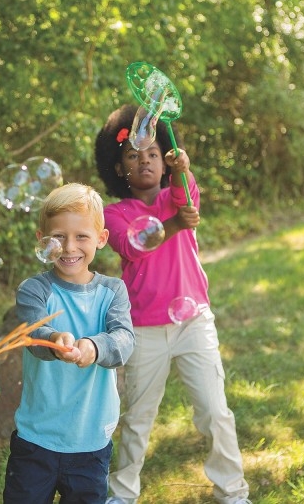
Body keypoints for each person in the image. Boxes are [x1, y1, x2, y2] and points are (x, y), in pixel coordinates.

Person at [94, 104, 251, 504]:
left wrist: (182, 166)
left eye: (151, 153)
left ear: (163, 163)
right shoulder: (113, 214)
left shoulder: (176, 192)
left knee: (216, 413)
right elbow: (134, 245)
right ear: (118, 167)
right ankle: (122, 495)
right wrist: (178, 224)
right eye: (132, 155)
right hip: (144, 328)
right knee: (137, 418)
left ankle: (232, 493)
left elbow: (185, 194)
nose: (144, 160)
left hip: (193, 320)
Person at [3, 182, 136, 504]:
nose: (68, 247)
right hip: (37, 438)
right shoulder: (34, 290)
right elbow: (33, 334)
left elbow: (124, 340)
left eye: (81, 237)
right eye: (58, 237)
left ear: (101, 239)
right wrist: (53, 338)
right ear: (42, 240)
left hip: (90, 439)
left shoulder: (113, 291)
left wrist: (92, 346)